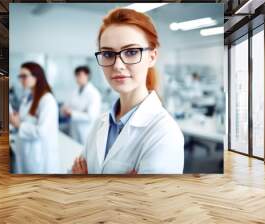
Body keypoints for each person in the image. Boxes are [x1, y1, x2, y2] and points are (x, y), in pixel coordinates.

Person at [71, 8, 184, 174]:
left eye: (131, 52)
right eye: (108, 54)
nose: (117, 65)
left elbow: (152, 200)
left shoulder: (164, 133)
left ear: (152, 57)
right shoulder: (101, 123)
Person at [10, 62, 60, 174]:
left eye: (24, 76)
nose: (21, 79)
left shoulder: (47, 100)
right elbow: (27, 119)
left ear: (36, 77)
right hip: (27, 153)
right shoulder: (27, 97)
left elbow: (41, 131)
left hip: (39, 158)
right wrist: (18, 118)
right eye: (20, 76)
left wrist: (19, 124)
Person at [61, 66, 101, 145]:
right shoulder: (74, 92)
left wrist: (72, 113)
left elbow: (91, 116)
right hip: (73, 129)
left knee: (85, 154)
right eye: (76, 75)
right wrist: (64, 110)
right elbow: (65, 107)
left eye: (80, 75)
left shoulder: (94, 94)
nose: (77, 78)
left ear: (87, 75)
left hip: (86, 131)